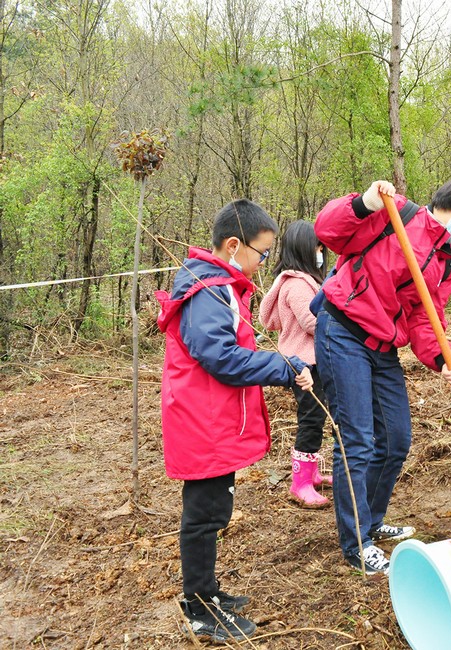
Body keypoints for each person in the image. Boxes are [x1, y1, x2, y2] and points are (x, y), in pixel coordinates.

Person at [313, 177, 451, 575]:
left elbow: (423, 318)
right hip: (343, 331)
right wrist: (363, 203)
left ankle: (373, 520)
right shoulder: (394, 213)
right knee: (358, 440)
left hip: (383, 347)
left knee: (396, 439)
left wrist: (447, 361)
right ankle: (356, 542)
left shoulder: (447, 260)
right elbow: (327, 230)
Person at [157, 200, 314, 642]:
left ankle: (207, 592)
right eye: (261, 254)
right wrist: (282, 367)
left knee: (215, 507)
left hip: (213, 416)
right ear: (233, 245)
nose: (262, 265)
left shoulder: (219, 285)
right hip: (202, 418)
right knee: (205, 513)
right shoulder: (209, 290)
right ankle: (200, 607)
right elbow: (219, 357)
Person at [259, 220, 332, 509]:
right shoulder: (298, 285)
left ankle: (311, 474)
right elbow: (311, 322)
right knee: (311, 419)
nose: (321, 253)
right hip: (306, 363)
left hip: (305, 359)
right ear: (305, 249)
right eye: (318, 247)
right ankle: (300, 483)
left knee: (314, 417)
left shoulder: (297, 281)